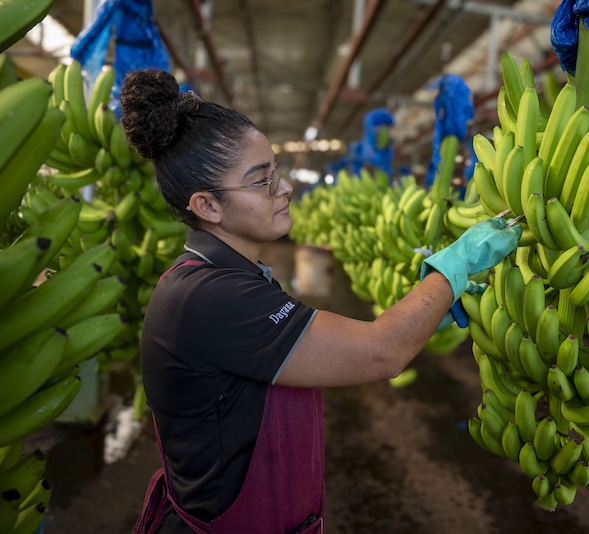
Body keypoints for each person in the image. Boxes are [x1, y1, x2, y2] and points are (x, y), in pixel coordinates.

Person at [122, 68, 521, 534]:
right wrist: (451, 270)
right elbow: (381, 352)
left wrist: (430, 300)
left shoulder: (225, 279)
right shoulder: (210, 299)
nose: (285, 188)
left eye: (277, 171)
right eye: (261, 181)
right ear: (207, 206)